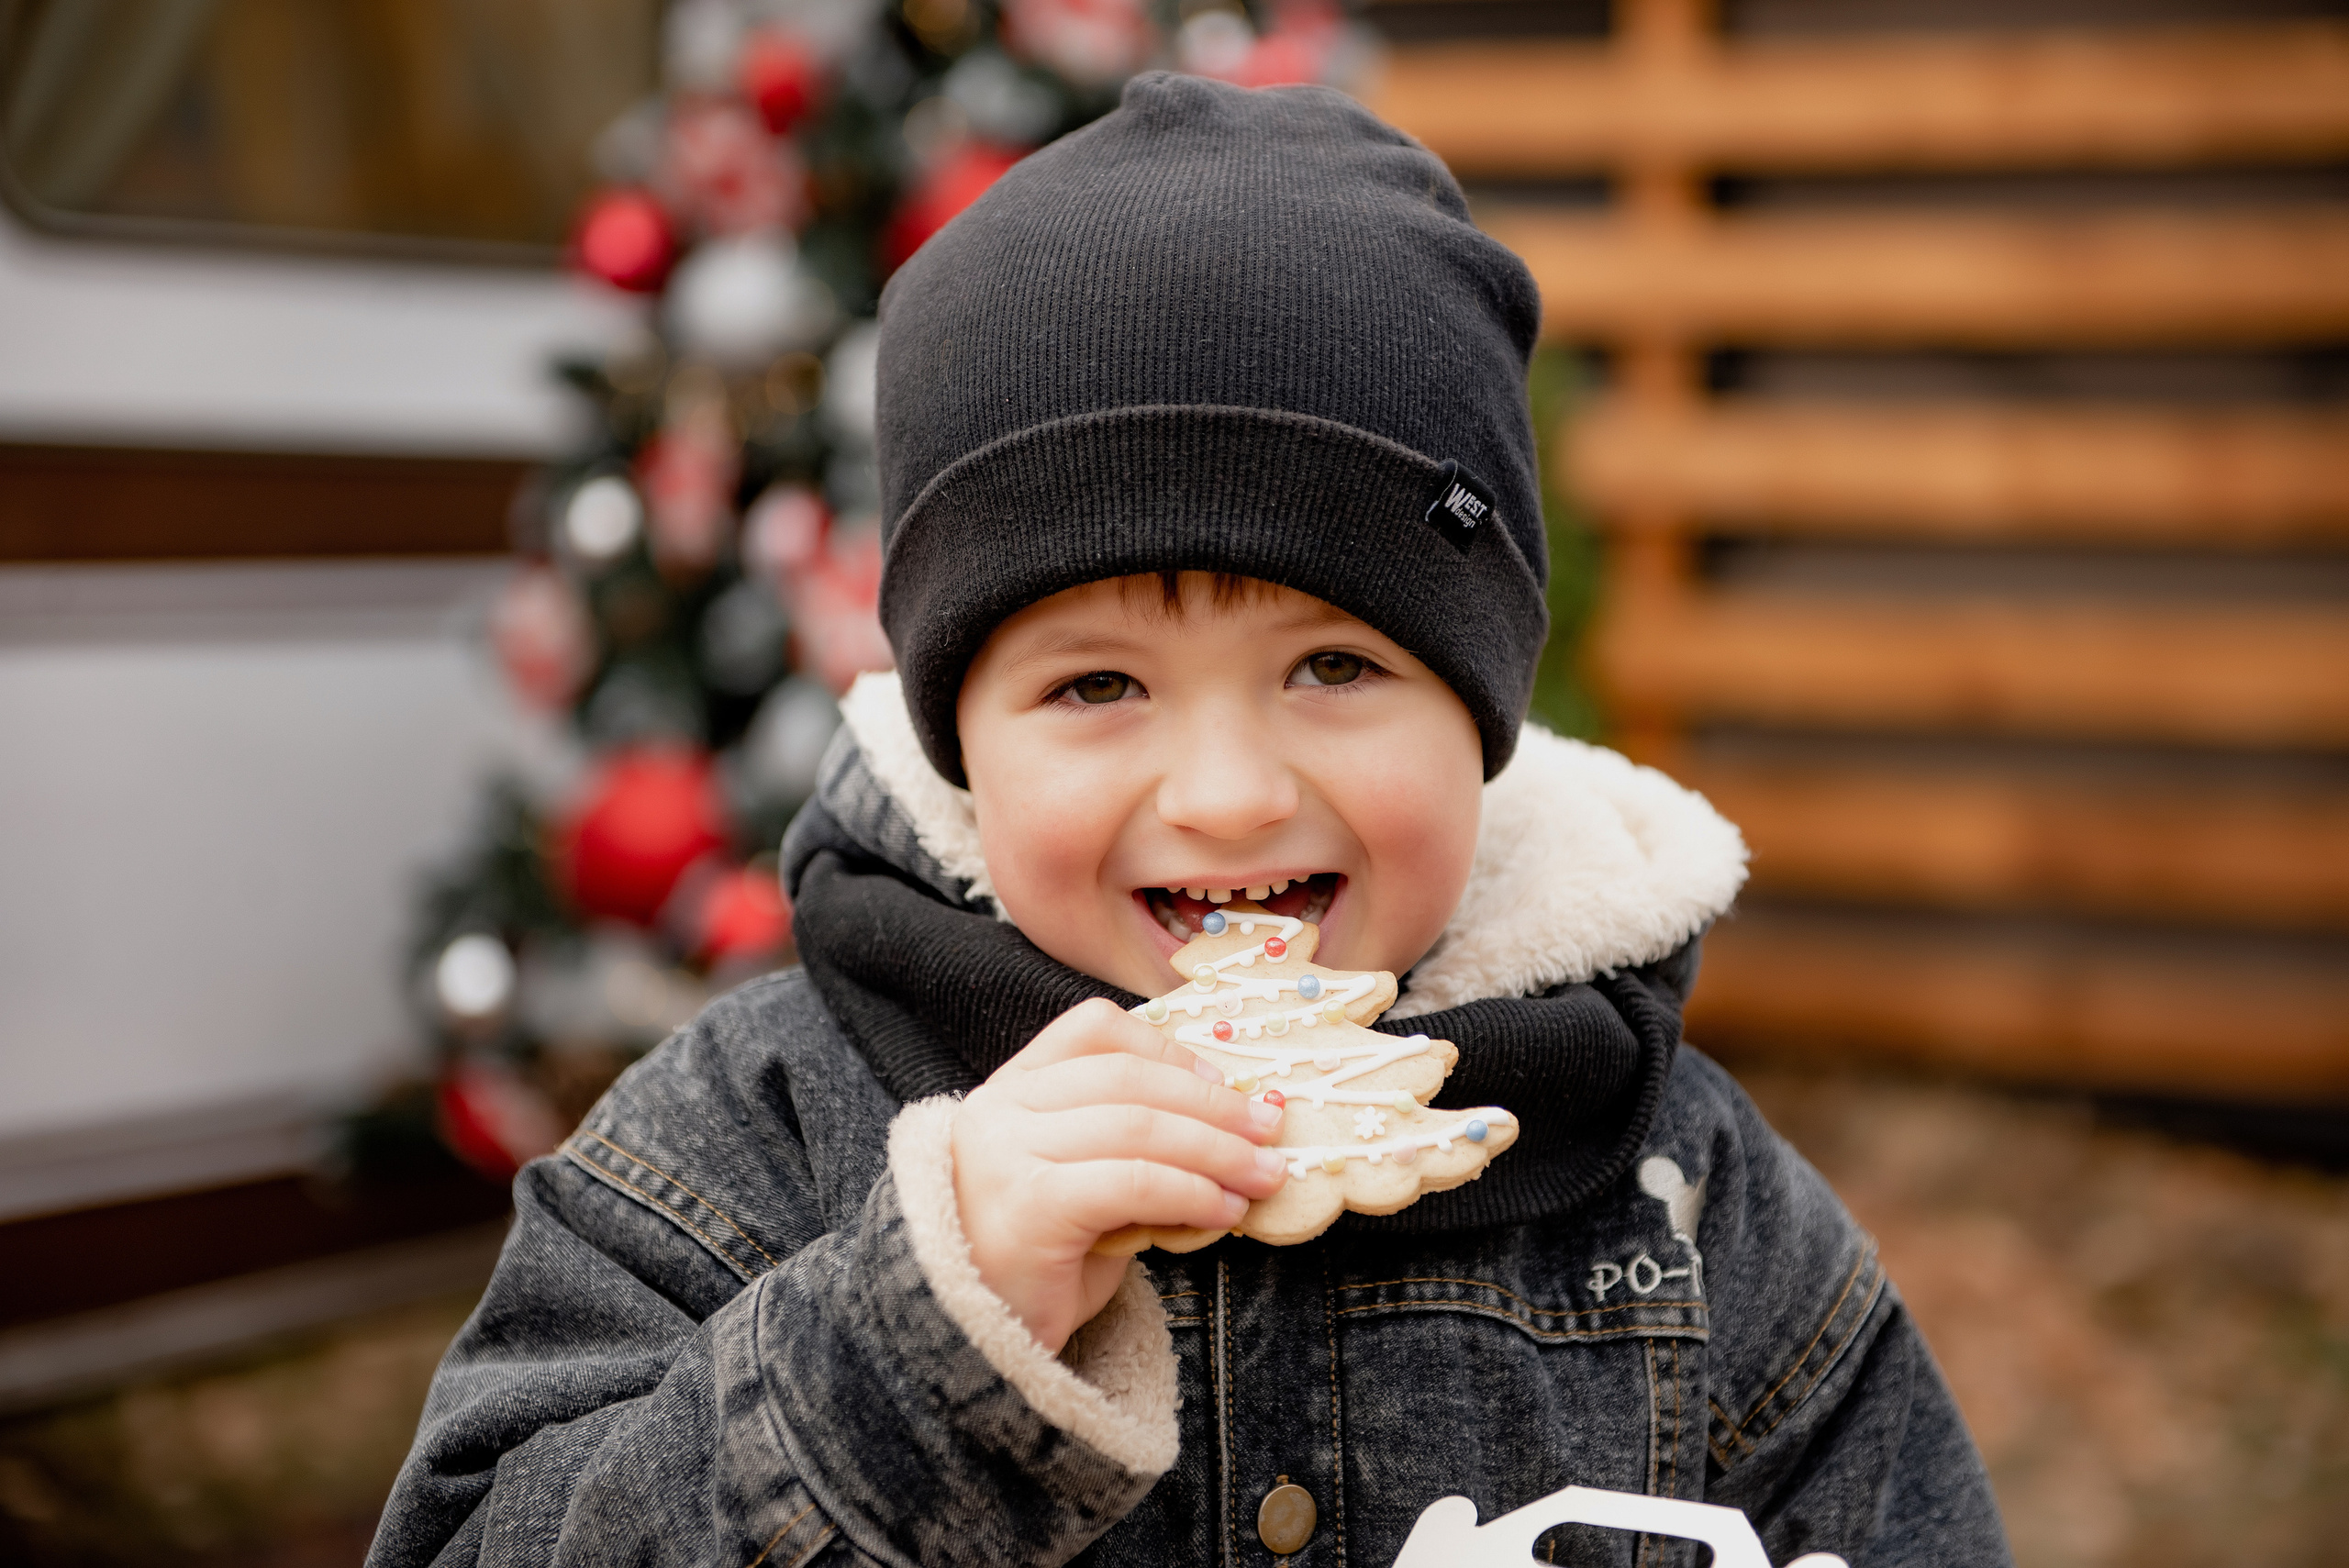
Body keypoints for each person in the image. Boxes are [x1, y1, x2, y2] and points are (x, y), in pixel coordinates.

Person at [370, 74, 2011, 1568]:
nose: (1226, 793)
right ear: (964, 744)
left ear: (1482, 714)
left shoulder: (1676, 1189)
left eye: (1332, 663)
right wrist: (925, 1322)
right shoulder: (760, 1134)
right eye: (1097, 687)